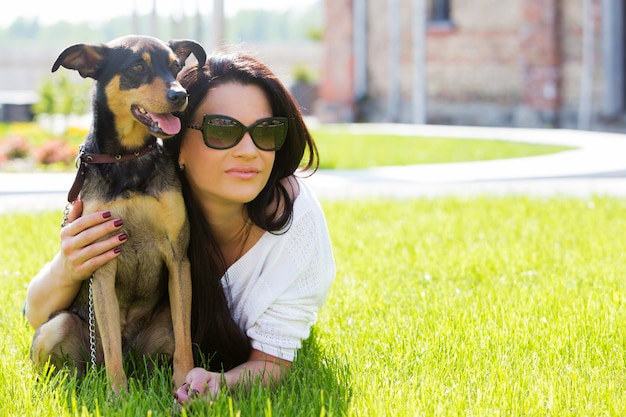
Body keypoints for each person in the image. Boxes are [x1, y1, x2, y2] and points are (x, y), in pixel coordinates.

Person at [24, 51, 336, 403]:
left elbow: (272, 362)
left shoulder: (296, 224)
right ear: (177, 143)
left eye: (266, 131)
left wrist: (220, 384)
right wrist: (67, 267)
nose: (249, 151)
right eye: (222, 129)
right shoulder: (149, 195)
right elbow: (37, 316)